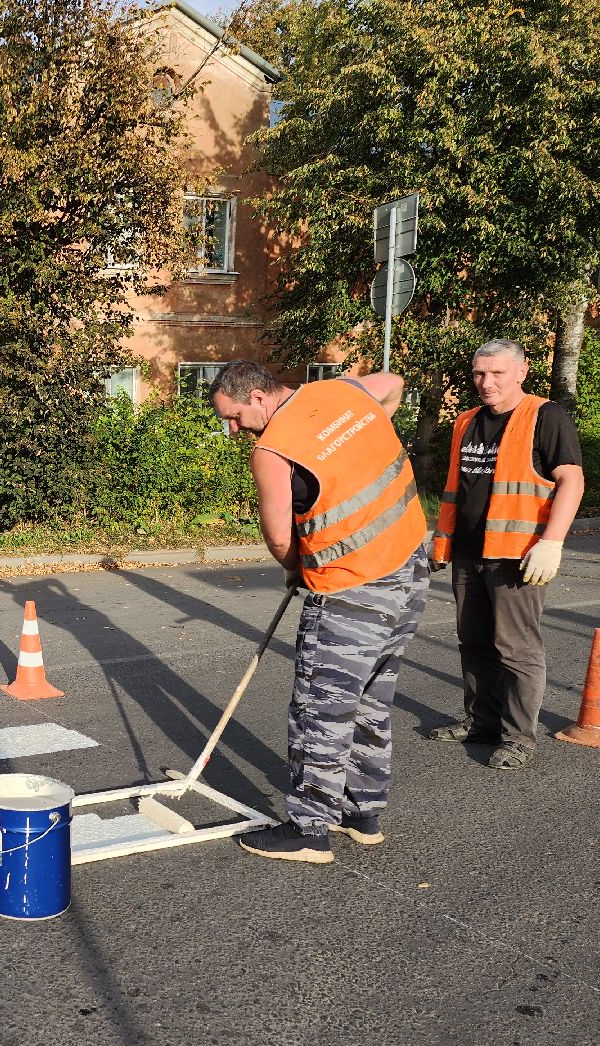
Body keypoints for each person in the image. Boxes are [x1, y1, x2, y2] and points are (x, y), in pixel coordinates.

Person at [210, 360, 429, 864]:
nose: (234, 429)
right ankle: (363, 813)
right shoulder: (339, 393)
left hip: (350, 587)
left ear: (260, 397)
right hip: (409, 570)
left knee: (321, 706)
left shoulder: (272, 450)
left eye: (237, 417)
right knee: (373, 695)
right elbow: (392, 385)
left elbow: (281, 536)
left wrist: (295, 571)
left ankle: (310, 829)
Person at [427, 340, 585, 769]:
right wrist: (441, 540)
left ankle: (518, 737)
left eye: (497, 373)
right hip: (469, 552)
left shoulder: (545, 416)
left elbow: (571, 480)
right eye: (479, 373)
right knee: (473, 641)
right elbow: (458, 489)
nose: (486, 382)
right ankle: (482, 722)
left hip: (518, 554)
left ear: (521, 372)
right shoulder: (465, 421)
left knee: (515, 648)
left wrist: (551, 542)